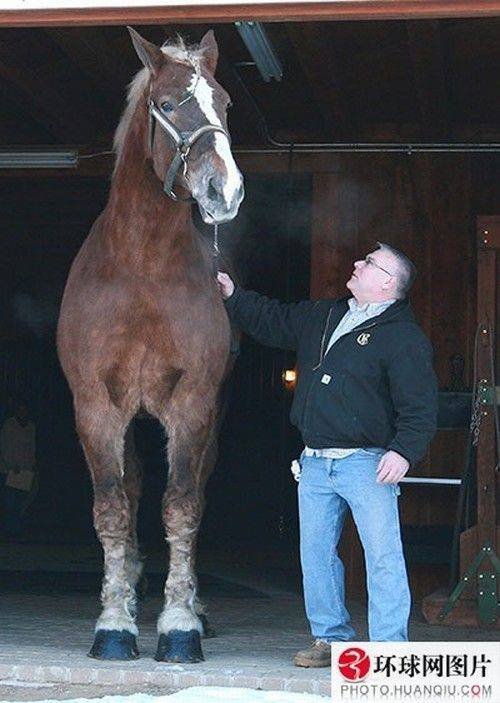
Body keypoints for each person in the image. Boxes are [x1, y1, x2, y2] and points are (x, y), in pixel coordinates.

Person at [217, 242, 437, 666]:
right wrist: (232, 296)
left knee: (383, 556)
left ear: (388, 283)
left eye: (369, 262)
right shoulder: (326, 314)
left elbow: (420, 405)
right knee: (315, 555)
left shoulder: (403, 337)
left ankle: (391, 651)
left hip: (367, 463)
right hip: (316, 461)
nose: (358, 263)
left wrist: (404, 453)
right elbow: (274, 319)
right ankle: (330, 640)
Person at [0, 399, 37, 536]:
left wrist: (32, 464)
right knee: (10, 501)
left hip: (26, 471)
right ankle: (9, 531)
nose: (22, 413)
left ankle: (18, 529)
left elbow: (31, 447)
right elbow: (4, 447)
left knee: (21, 502)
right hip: (10, 470)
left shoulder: (30, 427)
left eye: (24, 410)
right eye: (20, 410)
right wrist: (11, 465)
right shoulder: (9, 425)